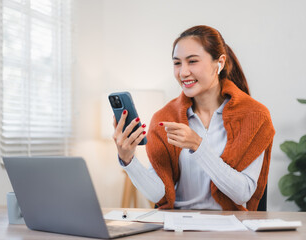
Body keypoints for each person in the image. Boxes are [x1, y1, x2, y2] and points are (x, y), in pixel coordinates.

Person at [112, 25, 275, 210]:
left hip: (230, 228)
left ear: (219, 63)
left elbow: (243, 193)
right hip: (180, 227)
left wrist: (198, 146)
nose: (183, 72)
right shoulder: (164, 118)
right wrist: (128, 160)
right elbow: (159, 194)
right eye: (177, 63)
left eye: (192, 61)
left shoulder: (254, 117)